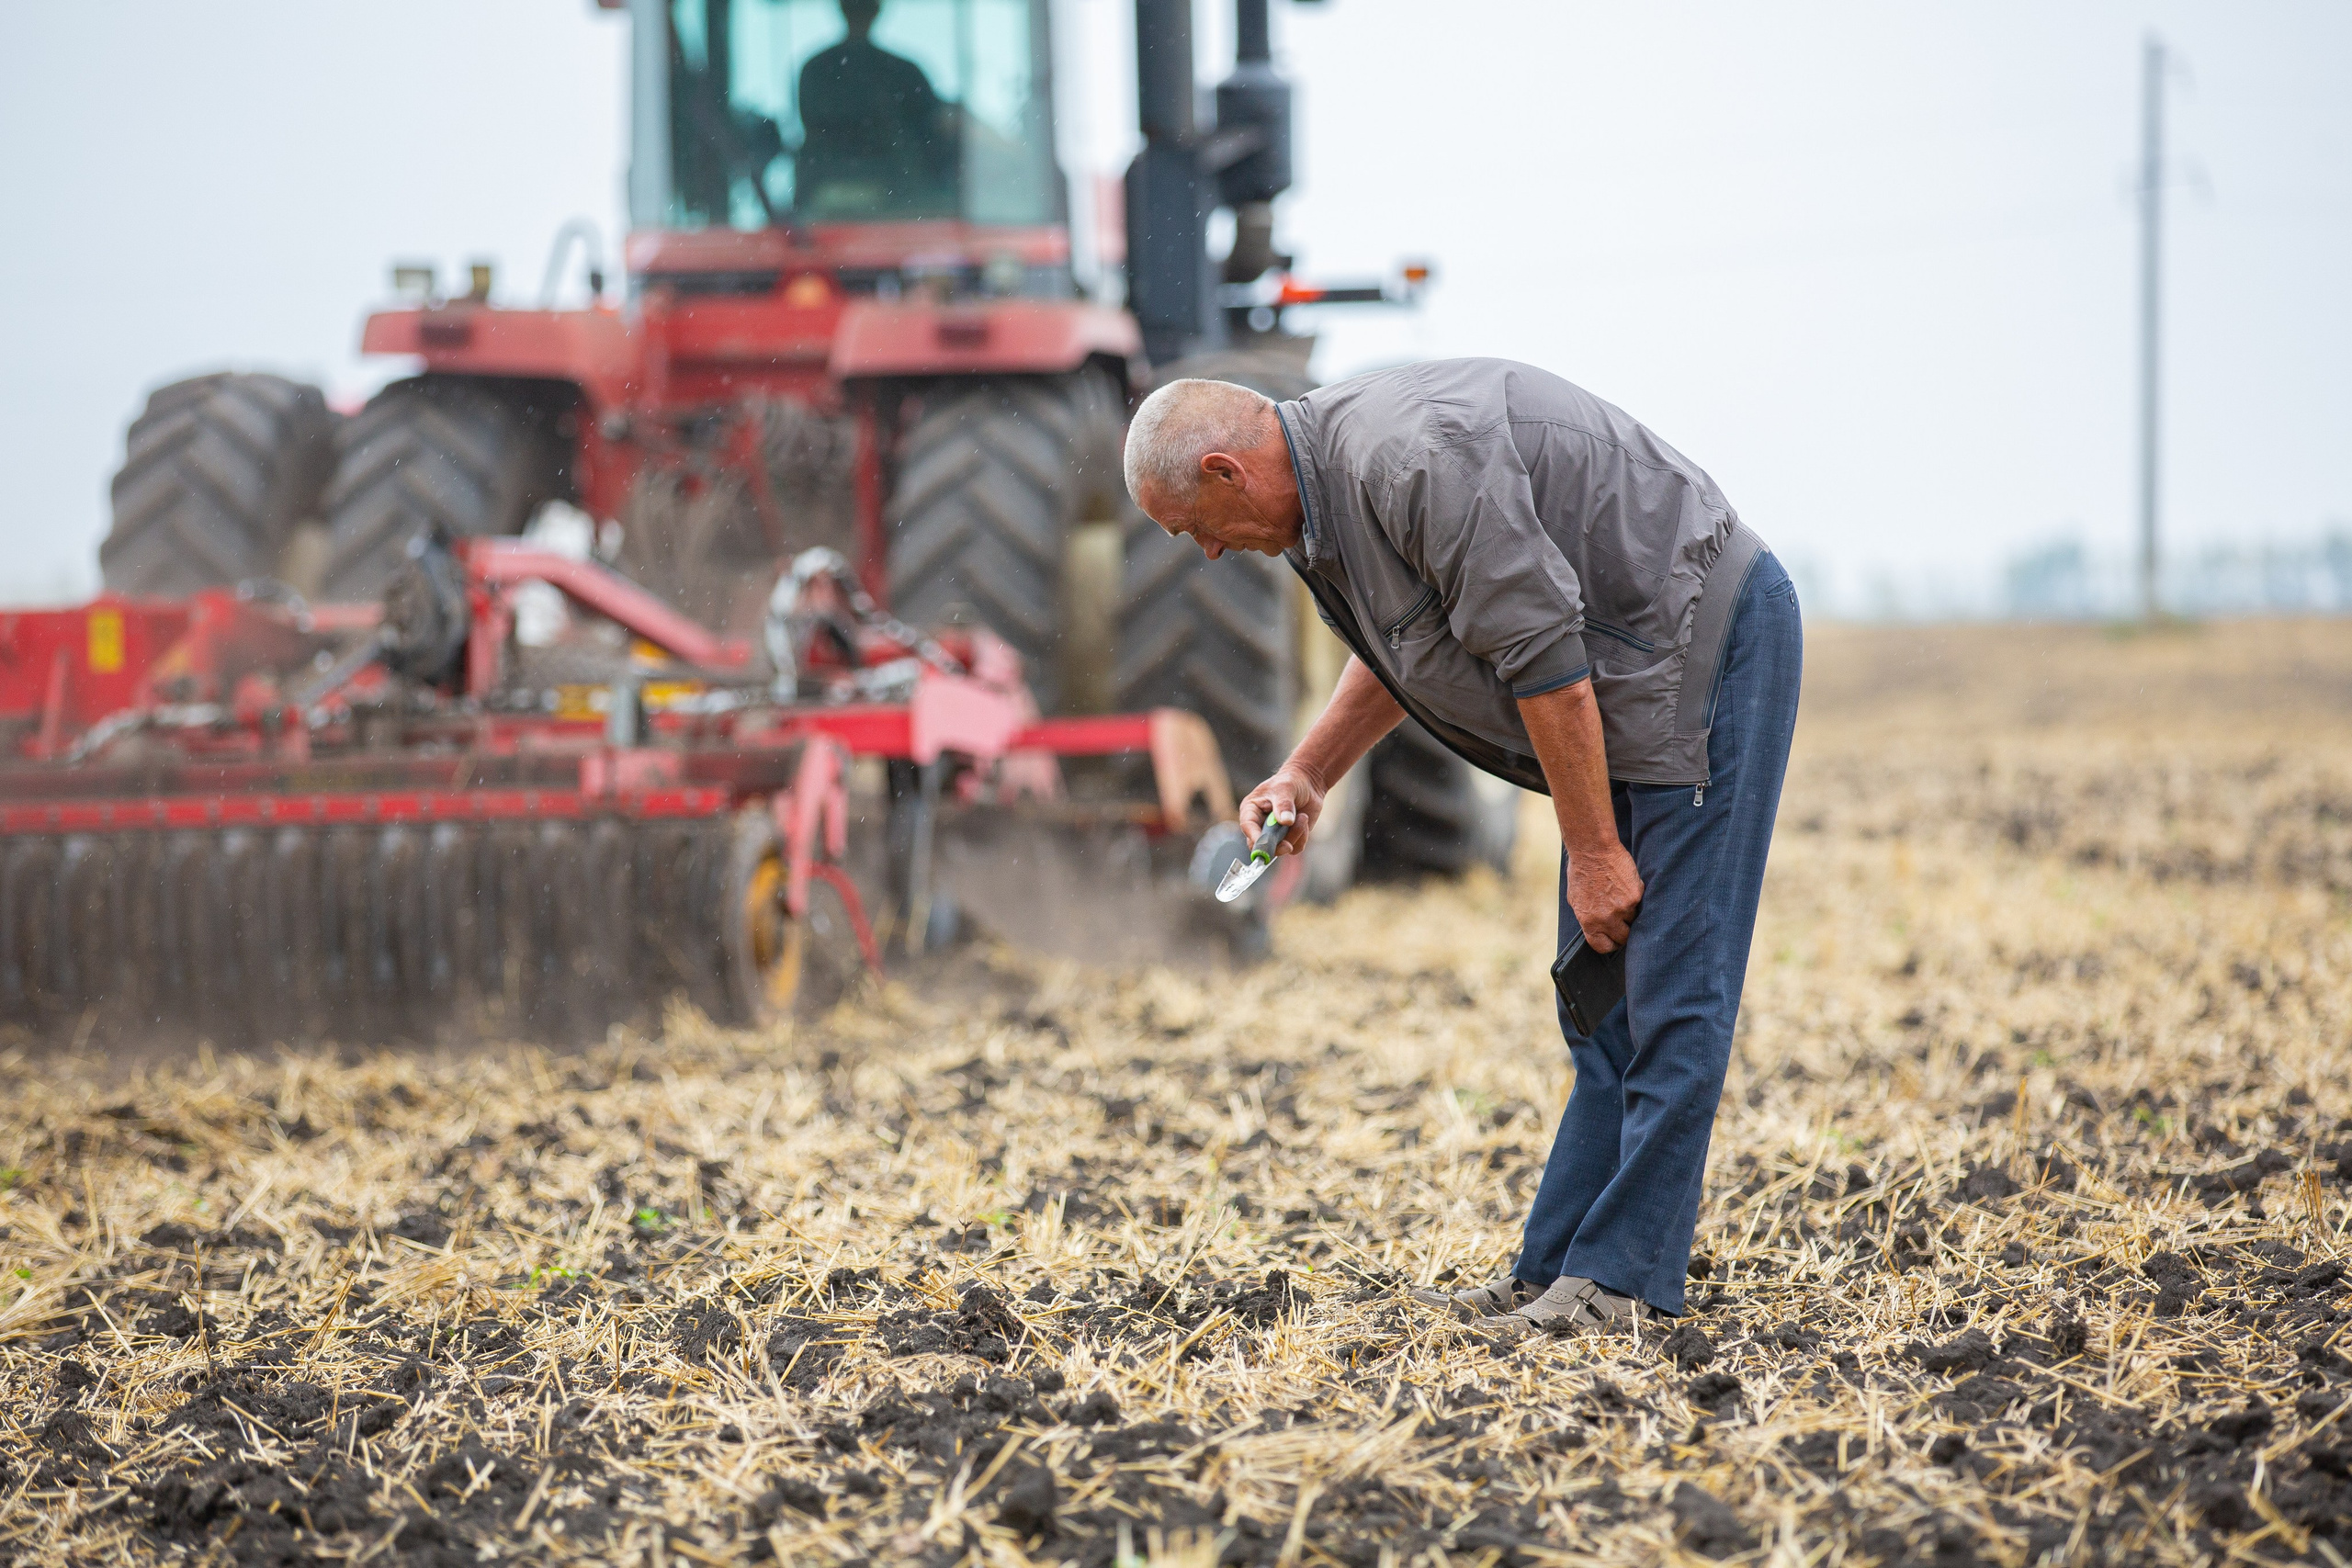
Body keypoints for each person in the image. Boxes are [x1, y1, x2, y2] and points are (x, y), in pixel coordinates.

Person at [1122, 360, 1804, 1337]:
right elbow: (1414, 641)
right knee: (1601, 988)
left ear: (1228, 471)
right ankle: (1556, 1273)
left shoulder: (1406, 458)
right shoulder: (1329, 493)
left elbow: (1543, 659)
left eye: (1194, 527)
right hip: (1620, 674)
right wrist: (1309, 771)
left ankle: (1620, 1287)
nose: (1208, 556)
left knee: (1670, 983)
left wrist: (1594, 850)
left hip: (1696, 648)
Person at [796, 0, 954, 215]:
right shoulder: (904, 71)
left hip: (841, 194)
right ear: (877, 10)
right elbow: (934, 128)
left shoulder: (814, 69)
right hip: (896, 197)